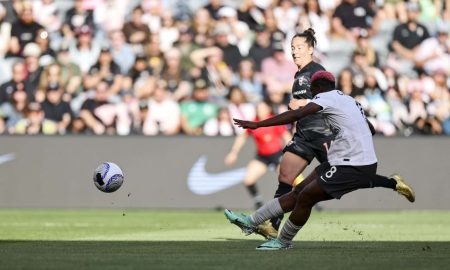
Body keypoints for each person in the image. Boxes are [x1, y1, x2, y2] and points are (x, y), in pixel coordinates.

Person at [224, 71, 415, 250]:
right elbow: (370, 128)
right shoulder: (349, 100)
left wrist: (258, 124)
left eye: (313, 90)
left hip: (351, 163)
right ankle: (252, 222)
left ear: (318, 88)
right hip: (346, 161)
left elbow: (297, 114)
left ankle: (283, 241)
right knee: (298, 191)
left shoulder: (324, 98)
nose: (312, 94)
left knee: (306, 197)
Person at [256, 28, 335, 239]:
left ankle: (391, 182)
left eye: (299, 47)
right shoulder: (299, 74)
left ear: (311, 49)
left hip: (323, 134)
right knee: (285, 176)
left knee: (346, 177)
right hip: (303, 135)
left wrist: (302, 103)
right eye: (292, 47)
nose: (295, 51)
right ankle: (272, 226)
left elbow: (331, 101)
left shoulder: (318, 71)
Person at [224, 101, 291, 210]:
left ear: (268, 109)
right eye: (258, 108)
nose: (260, 110)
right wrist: (233, 152)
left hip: (277, 155)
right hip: (262, 157)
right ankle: (258, 201)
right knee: (248, 180)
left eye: (262, 108)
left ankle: (307, 199)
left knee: (288, 179)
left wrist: (290, 152)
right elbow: (242, 137)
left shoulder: (274, 120)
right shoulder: (254, 122)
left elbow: (286, 136)